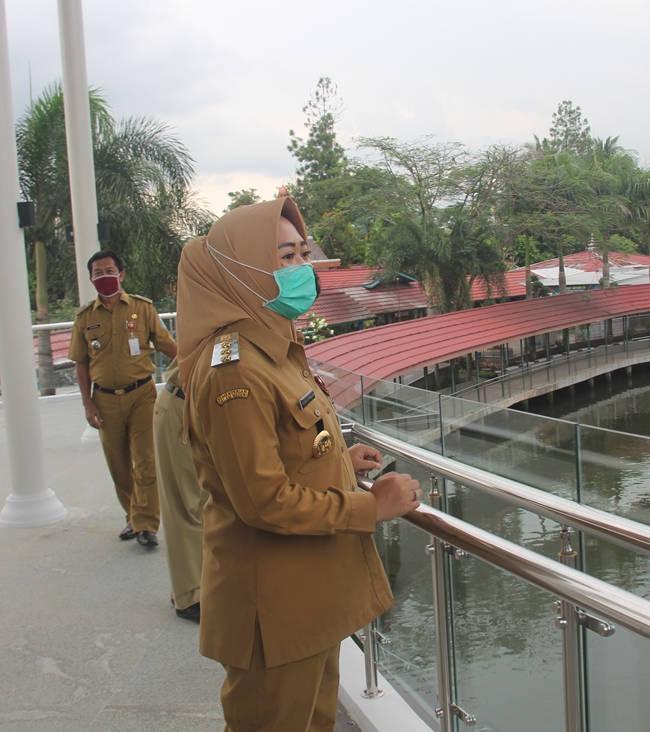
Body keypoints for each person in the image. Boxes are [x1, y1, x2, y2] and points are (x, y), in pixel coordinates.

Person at [176, 195, 422, 731]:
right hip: (273, 609)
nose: (301, 270)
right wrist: (371, 507)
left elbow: (285, 449)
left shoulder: (275, 346)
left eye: (302, 255)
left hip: (308, 599)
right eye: (284, 257)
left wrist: (338, 460)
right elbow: (262, 499)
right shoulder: (233, 370)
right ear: (241, 271)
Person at [69, 250, 177, 548]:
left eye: (109, 270)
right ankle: (132, 515)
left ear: (122, 274)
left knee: (146, 460)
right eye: (98, 273)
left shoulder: (142, 309)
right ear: (91, 279)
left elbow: (168, 346)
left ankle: (145, 523)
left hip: (141, 395)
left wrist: (194, 368)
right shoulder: (84, 317)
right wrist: (87, 404)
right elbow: (81, 363)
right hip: (104, 400)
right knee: (117, 463)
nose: (105, 277)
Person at [152, 357, 205, 622]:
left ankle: (198, 585)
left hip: (199, 409)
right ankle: (188, 596)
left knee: (203, 504)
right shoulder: (213, 316)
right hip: (182, 407)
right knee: (185, 506)